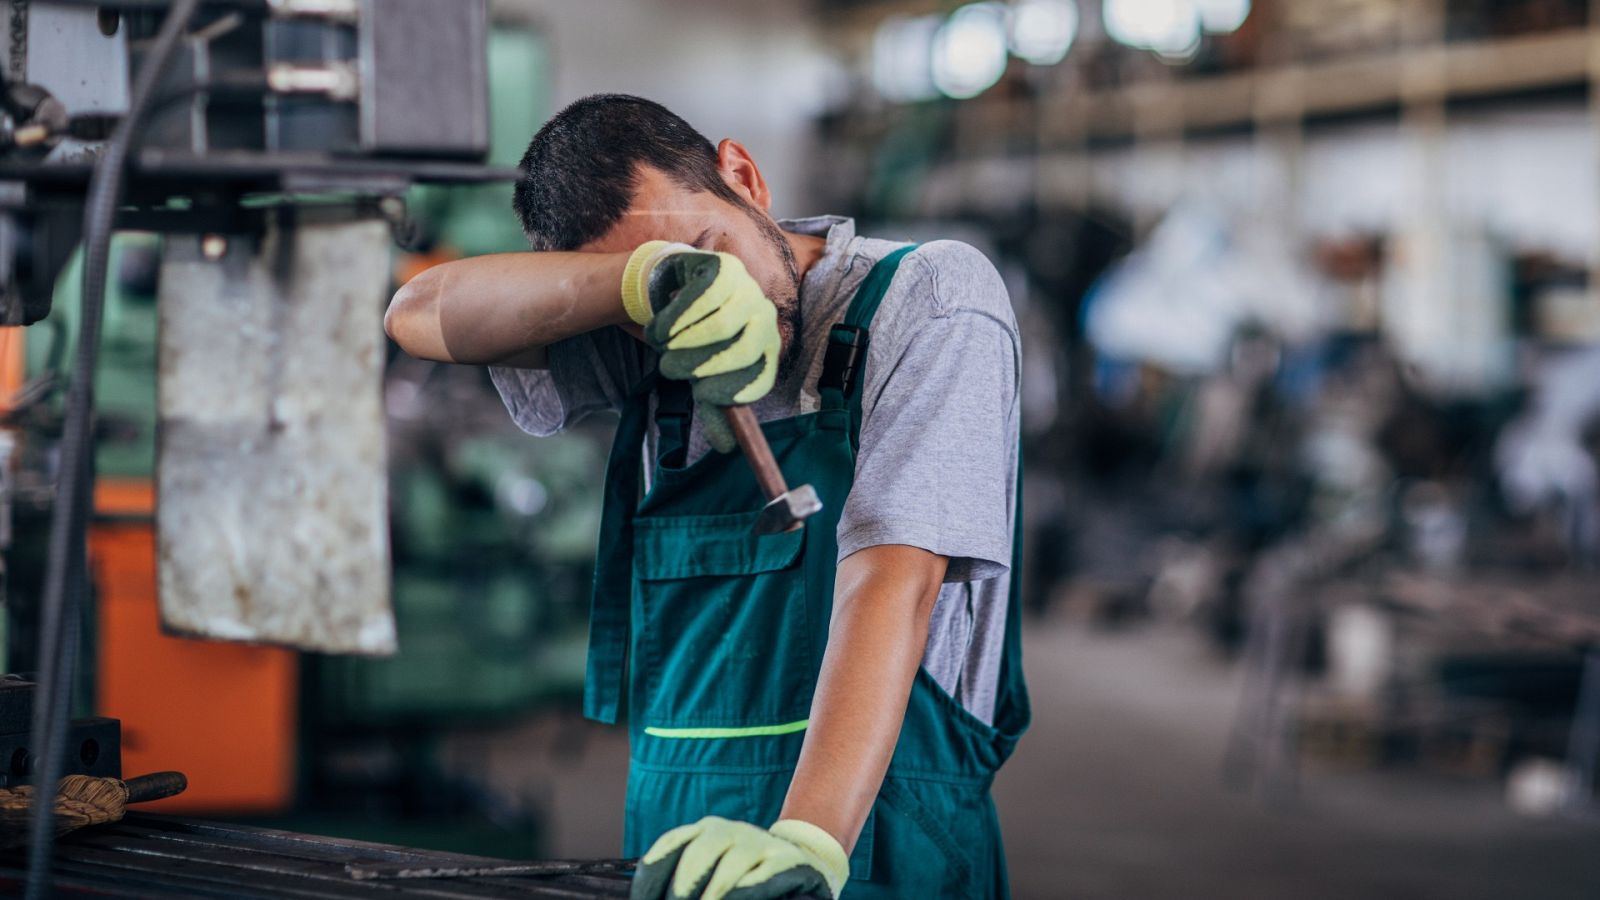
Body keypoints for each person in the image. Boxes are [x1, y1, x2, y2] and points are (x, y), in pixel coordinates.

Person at [385, 94, 1028, 900]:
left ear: (744, 176)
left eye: (707, 249)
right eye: (669, 286)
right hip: (680, 839)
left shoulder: (929, 296)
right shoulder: (649, 334)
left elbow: (893, 580)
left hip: (871, 830)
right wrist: (643, 285)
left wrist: (808, 841)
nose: (713, 299)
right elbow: (418, 312)